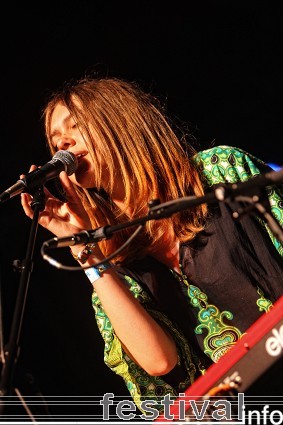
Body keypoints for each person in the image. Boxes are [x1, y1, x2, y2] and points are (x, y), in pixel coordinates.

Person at [21, 76, 283, 415]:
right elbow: (160, 362)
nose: (63, 145)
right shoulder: (114, 270)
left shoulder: (218, 173)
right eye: (56, 140)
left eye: (75, 126)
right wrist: (83, 249)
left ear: (121, 122)